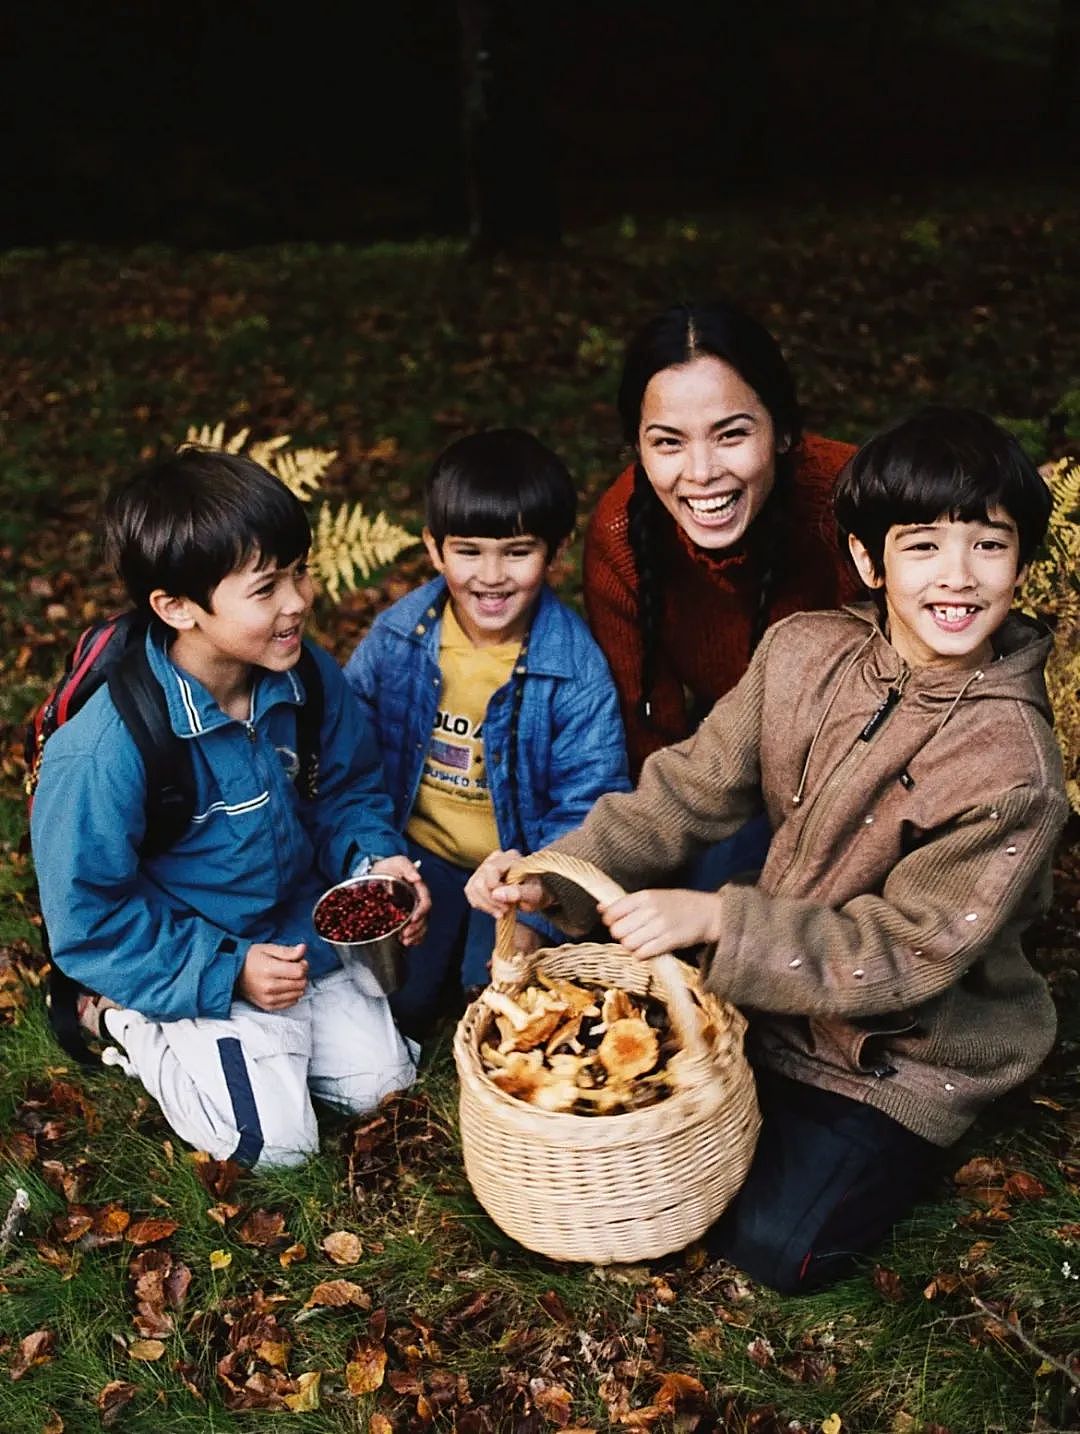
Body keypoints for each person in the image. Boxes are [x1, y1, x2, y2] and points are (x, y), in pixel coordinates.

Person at [467, 406, 1067, 1293]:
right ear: (869, 560)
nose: (959, 576)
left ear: (1019, 562)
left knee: (775, 1241)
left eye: (989, 545)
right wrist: (551, 877)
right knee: (650, 1120)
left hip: (901, 1045)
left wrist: (716, 920)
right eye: (923, 546)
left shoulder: (1011, 767)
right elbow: (681, 792)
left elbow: (907, 948)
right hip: (766, 997)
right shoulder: (803, 653)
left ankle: (895, 1142)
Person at [30, 448, 431, 1170]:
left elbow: (346, 791)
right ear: (177, 606)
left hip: (298, 939)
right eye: (266, 587)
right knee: (272, 1148)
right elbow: (89, 918)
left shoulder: (303, 676)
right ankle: (125, 1021)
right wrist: (228, 973)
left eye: (298, 571)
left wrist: (375, 862)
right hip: (197, 956)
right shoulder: (105, 752)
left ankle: (274, 1049)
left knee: (385, 1087)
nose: (298, 601)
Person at [344, 428, 630, 1036]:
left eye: (517, 551)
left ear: (557, 552)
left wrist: (539, 888)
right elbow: (349, 755)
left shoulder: (574, 668)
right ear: (434, 548)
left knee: (498, 997)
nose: (492, 576)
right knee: (403, 1003)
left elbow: (589, 802)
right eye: (468, 551)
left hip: (516, 868)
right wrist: (382, 857)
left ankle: (493, 956)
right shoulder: (400, 638)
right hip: (420, 856)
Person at [585, 298, 861, 780]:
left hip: (854, 758)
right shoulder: (622, 533)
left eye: (730, 435)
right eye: (669, 442)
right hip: (723, 758)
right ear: (638, 450)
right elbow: (650, 744)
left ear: (783, 432)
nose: (701, 473)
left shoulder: (851, 503)